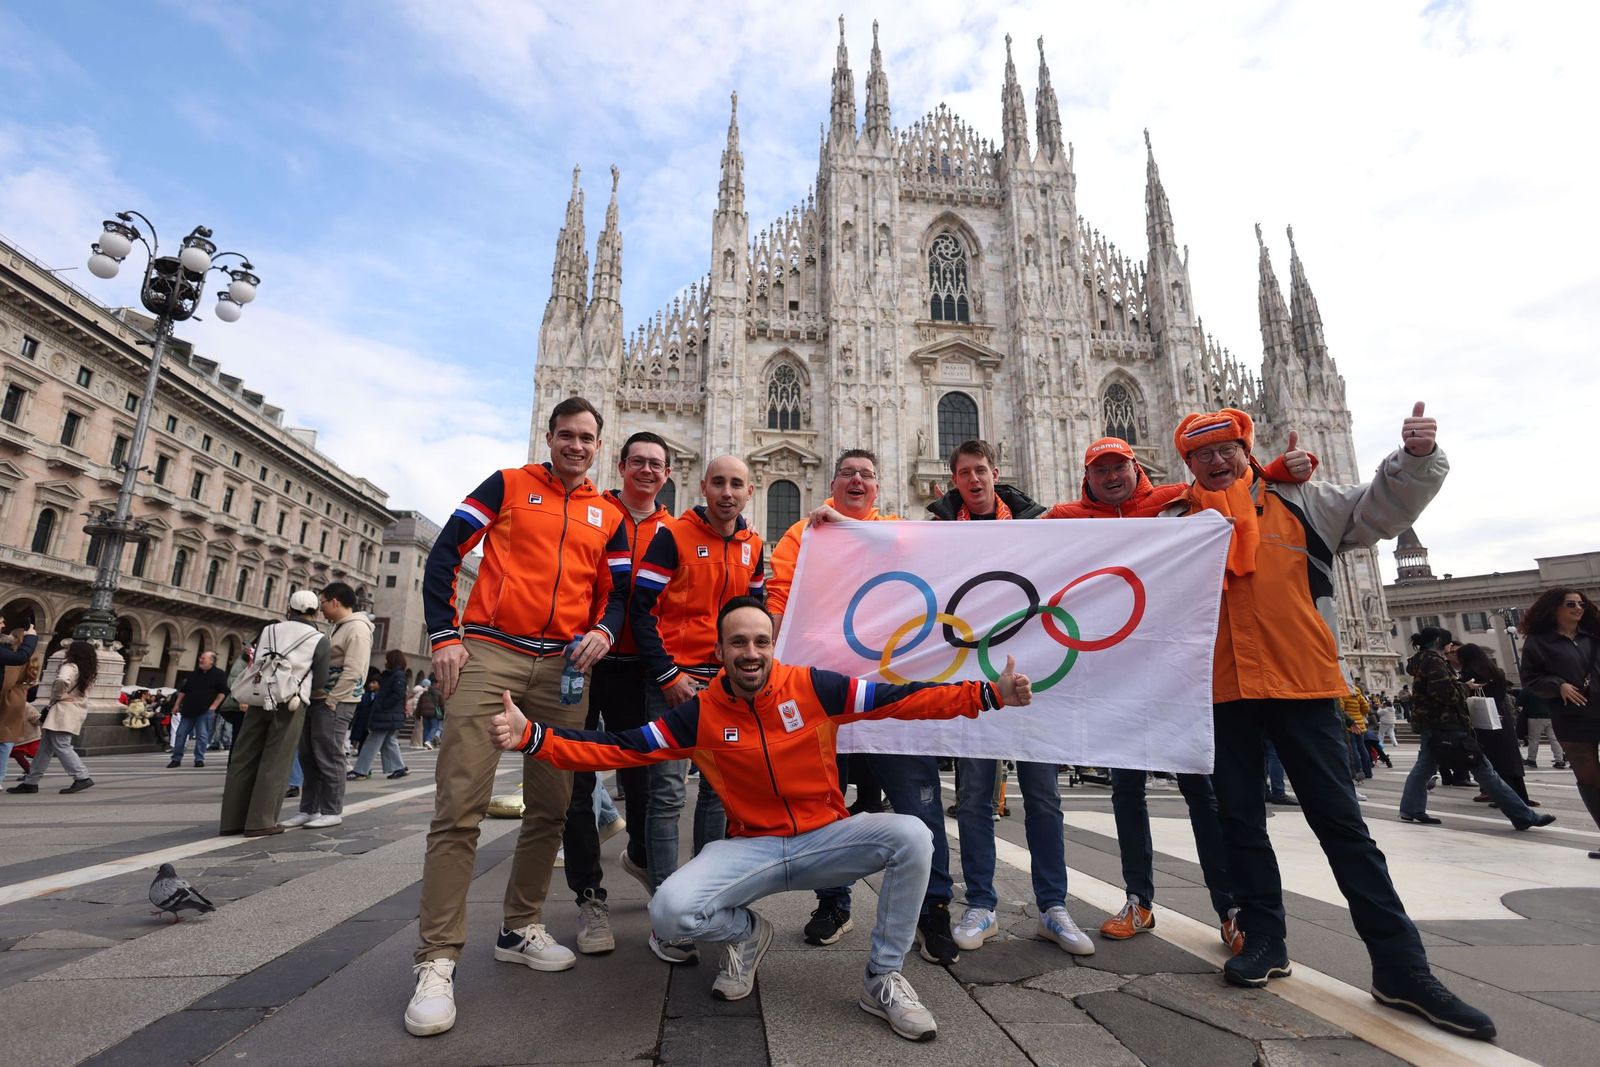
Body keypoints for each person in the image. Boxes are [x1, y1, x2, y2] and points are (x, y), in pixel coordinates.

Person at [484, 597, 1035, 1043]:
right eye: (738, 643)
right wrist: (534, 736)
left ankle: (883, 977)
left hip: (824, 839)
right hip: (753, 849)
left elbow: (901, 699)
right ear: (720, 650)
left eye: (761, 641)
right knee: (669, 912)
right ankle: (746, 934)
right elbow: (619, 747)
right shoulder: (697, 713)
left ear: (774, 645)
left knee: (912, 834)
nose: (751, 653)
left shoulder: (815, 686)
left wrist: (986, 694)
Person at [1163, 402, 1497, 1040]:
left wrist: (1416, 460)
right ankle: (1265, 939)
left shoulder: (1302, 501)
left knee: (1343, 828)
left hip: (1304, 684)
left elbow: (1381, 506)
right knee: (1241, 824)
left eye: (1224, 447)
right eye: (1199, 451)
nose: (1214, 459)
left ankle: (1401, 968)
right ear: (1186, 463)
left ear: (1245, 447)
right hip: (1222, 691)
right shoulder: (1176, 522)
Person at [1042, 435, 1320, 954]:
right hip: (1117, 676)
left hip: (1176, 673)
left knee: (1202, 792)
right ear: (1088, 477)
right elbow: (1012, 545)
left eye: (1118, 466)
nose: (1111, 476)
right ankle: (1138, 900)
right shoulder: (1070, 516)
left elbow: (1233, 485)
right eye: (1100, 469)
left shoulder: (1175, 501)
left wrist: (1277, 467)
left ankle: (1230, 906)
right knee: (1126, 791)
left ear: (1134, 468)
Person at [407, 396, 631, 1038]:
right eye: (567, 436)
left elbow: (613, 595)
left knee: (553, 808)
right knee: (459, 807)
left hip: (562, 671)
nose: (577, 446)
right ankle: (438, 959)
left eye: (588, 438)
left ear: (597, 444)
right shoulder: (506, 485)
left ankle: (519, 926)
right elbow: (445, 554)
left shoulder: (606, 513)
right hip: (492, 655)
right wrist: (446, 635)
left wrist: (604, 635)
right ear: (550, 436)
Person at [922, 439, 1092, 956]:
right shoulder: (937, 533)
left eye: (981, 471)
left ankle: (1053, 907)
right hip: (974, 680)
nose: (973, 480)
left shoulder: (1036, 525)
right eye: (964, 473)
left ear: (997, 472)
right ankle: (981, 903)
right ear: (954, 480)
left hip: (1032, 675)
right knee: (973, 798)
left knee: (1044, 796)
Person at [771, 449, 927, 950]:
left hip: (884, 687)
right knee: (825, 801)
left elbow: (909, 549)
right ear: (833, 481)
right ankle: (834, 903)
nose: (857, 481)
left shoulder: (893, 526)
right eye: (848, 474)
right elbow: (780, 597)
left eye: (867, 475)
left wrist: (840, 524)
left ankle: (928, 907)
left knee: (908, 801)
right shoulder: (802, 533)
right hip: (822, 687)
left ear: (877, 487)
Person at [628, 453, 765, 963]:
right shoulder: (673, 536)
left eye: (737, 484)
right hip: (673, 682)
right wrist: (668, 674)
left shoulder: (753, 546)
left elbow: (756, 616)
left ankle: (703, 902)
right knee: (666, 794)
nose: (727, 493)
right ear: (703, 487)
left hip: (724, 687)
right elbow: (641, 609)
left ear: (749, 492)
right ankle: (667, 914)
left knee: (715, 796)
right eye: (719, 483)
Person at [559, 431, 675, 957]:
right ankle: (590, 897)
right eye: (638, 462)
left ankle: (644, 858)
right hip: (584, 662)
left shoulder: (676, 529)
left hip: (642, 668)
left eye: (657, 464)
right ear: (621, 465)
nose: (647, 471)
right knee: (577, 785)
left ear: (668, 474)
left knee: (646, 782)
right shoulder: (595, 513)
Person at [1398, 627, 1551, 832]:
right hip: (1448, 724)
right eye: (1449, 642)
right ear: (1438, 641)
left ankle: (1411, 809)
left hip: (1433, 724)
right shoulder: (1434, 661)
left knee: (1424, 768)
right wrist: (1465, 687)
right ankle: (1523, 815)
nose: (1451, 646)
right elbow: (1445, 694)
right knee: (1485, 770)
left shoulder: (1420, 661)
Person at [219, 590, 330, 836]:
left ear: (288, 608)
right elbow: (321, 679)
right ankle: (260, 821)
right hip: (289, 702)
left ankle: (231, 821)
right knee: (276, 760)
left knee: (243, 756)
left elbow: (257, 661)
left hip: (258, 698)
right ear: (315, 612)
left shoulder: (268, 630)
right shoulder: (318, 639)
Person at [1518, 588, 1600, 857]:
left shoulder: (1594, 636)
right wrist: (1558, 685)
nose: (1578, 608)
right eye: (1571, 604)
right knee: (1588, 775)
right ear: (1554, 608)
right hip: (1572, 713)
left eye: (1581, 604)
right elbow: (1530, 679)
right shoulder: (1538, 642)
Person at [8, 639, 97, 795]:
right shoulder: (88, 671)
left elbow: (62, 680)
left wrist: (58, 695)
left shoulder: (70, 666)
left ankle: (81, 776)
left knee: (62, 745)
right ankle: (31, 781)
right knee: (45, 749)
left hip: (63, 712)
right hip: (73, 711)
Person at [1453, 642, 1535, 808]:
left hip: (1483, 721)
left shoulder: (1470, 674)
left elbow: (1461, 696)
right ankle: (1521, 795)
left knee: (1495, 761)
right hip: (1501, 718)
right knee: (1510, 759)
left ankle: (1506, 798)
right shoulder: (1497, 672)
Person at [351, 651, 411, 781]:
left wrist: (383, 705)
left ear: (392, 660)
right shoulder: (392, 675)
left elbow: (398, 694)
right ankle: (398, 768)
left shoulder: (398, 675)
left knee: (372, 742)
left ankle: (361, 771)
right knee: (389, 741)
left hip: (387, 714)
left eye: (387, 659)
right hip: (389, 714)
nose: (385, 661)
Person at [0, 615, 41, 788]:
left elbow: (8, 680)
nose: (3, 624)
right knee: (6, 741)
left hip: (7, 698)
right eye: (0, 621)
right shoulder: (28, 656)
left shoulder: (12, 656)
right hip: (16, 699)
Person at [168, 651, 228, 768]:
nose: (200, 660)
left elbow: (223, 692)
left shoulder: (219, 674)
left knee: (202, 735)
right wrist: (176, 705)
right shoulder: (194, 674)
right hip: (188, 709)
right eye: (200, 658)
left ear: (211, 661)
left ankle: (199, 759)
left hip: (205, 710)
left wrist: (214, 706)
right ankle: (176, 759)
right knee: (180, 734)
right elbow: (184, 691)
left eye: (203, 658)